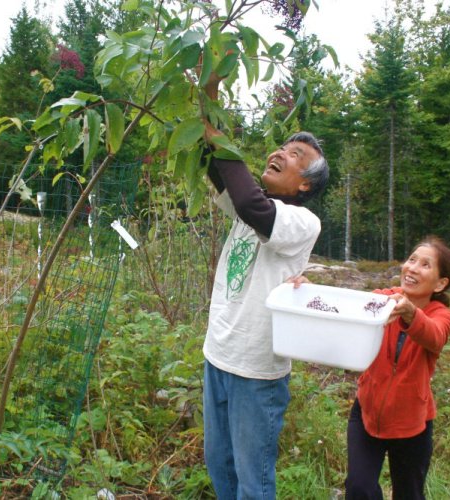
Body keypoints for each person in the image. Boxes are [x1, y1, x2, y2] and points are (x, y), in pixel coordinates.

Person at [200, 99, 330, 496]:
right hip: (218, 355)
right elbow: (215, 169)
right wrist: (209, 106)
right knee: (220, 466)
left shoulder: (301, 222)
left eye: (295, 155)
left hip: (257, 372)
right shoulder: (251, 208)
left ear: (305, 183)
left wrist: (221, 138)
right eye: (282, 147)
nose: (280, 153)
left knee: (252, 480)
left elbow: (249, 203)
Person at [293, 236, 450, 499]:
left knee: (409, 494)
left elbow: (435, 335)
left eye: (425, 265)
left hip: (412, 424)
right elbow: (345, 307)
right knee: (359, 489)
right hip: (367, 414)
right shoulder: (383, 299)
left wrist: (410, 314)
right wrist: (311, 291)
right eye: (412, 259)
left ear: (440, 283)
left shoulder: (442, 315)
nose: (412, 268)